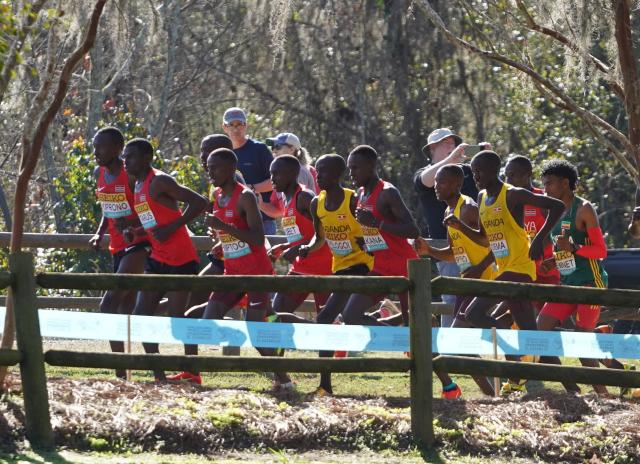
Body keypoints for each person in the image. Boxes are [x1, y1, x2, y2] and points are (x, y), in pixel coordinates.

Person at [450, 150, 564, 394]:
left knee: (474, 313)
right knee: (533, 335)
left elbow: (557, 206)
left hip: (520, 269)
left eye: (480, 170)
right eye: (473, 171)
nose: (476, 176)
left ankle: (516, 357)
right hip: (504, 268)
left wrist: (538, 239)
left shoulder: (512, 194)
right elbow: (484, 240)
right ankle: (570, 386)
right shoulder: (481, 198)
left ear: (494, 170)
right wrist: (460, 226)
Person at [202, 148, 292, 389]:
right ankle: (273, 327)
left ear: (231, 169)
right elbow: (231, 229)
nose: (210, 172)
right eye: (208, 167)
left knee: (256, 334)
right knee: (209, 320)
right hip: (232, 272)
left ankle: (285, 382)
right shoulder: (216, 194)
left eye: (215, 167)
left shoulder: (245, 196)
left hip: (256, 273)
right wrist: (221, 240)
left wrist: (223, 226)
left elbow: (256, 236)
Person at [123, 138, 208, 383]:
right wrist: (137, 232)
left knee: (177, 320)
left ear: (146, 159)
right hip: (157, 257)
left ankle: (192, 372)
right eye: (125, 156)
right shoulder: (137, 184)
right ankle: (160, 376)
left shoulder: (159, 180)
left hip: (181, 259)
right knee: (142, 314)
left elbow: (199, 202)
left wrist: (173, 227)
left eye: (131, 156)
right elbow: (153, 220)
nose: (126, 161)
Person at [414, 164, 496, 397]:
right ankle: (490, 396)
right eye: (436, 182)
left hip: (483, 283)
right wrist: (428, 250)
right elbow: (453, 252)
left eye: (442, 182)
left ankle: (458, 388)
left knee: (456, 342)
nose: (437, 187)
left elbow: (490, 243)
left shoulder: (468, 208)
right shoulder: (448, 211)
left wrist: (479, 268)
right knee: (463, 347)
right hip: (465, 284)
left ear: (457, 184)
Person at [297, 154, 374, 396]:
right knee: (348, 317)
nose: (319, 177)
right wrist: (308, 247)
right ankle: (398, 328)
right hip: (339, 266)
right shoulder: (316, 204)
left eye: (325, 172)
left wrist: (367, 240)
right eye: (318, 172)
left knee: (325, 318)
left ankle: (325, 385)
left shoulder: (352, 200)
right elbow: (319, 238)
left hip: (363, 266)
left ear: (338, 175)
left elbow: (371, 227)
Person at [537, 159, 610, 396]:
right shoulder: (554, 211)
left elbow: (600, 251)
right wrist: (553, 261)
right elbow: (564, 251)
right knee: (542, 327)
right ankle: (572, 389)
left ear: (565, 183)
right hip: (567, 283)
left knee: (581, 339)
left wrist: (574, 247)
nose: (545, 189)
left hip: (591, 282)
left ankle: (604, 396)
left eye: (549, 184)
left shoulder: (584, 208)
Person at [90, 127, 150, 379]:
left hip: (138, 245)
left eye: (100, 147)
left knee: (108, 305)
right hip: (117, 246)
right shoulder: (101, 173)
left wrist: (135, 229)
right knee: (126, 308)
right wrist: (100, 232)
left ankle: (119, 373)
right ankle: (130, 375)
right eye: (94, 147)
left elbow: (148, 205)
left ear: (117, 148)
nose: (96, 153)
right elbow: (108, 206)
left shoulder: (131, 175)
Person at [413, 128, 487, 327]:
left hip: (481, 257)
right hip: (454, 253)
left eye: (453, 142)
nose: (451, 145)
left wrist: (485, 159)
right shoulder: (425, 175)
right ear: (431, 148)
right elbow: (426, 180)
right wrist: (429, 250)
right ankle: (453, 350)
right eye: (445, 142)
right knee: (455, 303)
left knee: (476, 308)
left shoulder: (468, 179)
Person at [267, 155, 333, 317]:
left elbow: (325, 231)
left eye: (276, 174)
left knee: (329, 323)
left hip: (323, 269)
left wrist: (295, 249)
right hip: (300, 267)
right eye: (270, 174)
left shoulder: (304, 197)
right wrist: (285, 246)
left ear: (291, 173)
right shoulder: (285, 198)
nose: (272, 179)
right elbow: (302, 234)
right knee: (276, 313)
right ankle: (287, 342)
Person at [221, 107, 277, 234]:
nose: (236, 129)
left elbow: (275, 182)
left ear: (246, 125)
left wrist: (250, 188)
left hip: (263, 220)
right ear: (224, 127)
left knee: (267, 254)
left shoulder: (259, 149)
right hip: (233, 221)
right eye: (231, 125)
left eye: (239, 124)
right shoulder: (223, 154)